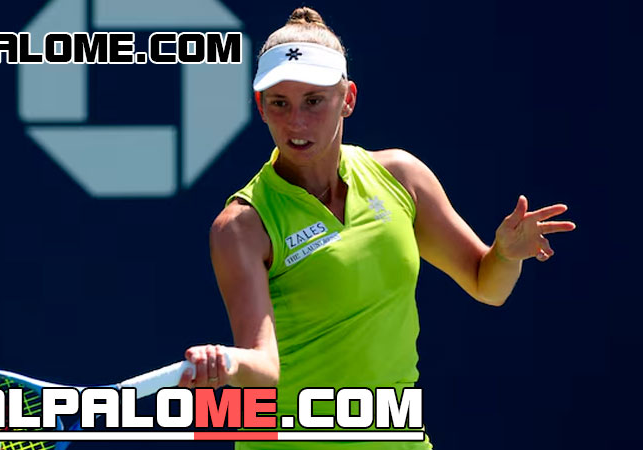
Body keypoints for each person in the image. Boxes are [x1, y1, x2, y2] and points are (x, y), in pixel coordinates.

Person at [179, 7, 575, 448]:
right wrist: (227, 363)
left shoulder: (402, 178)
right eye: (280, 103)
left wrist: (504, 254)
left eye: (314, 101)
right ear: (261, 107)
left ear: (347, 98)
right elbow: (265, 368)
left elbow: (487, 285)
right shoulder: (242, 225)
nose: (296, 122)